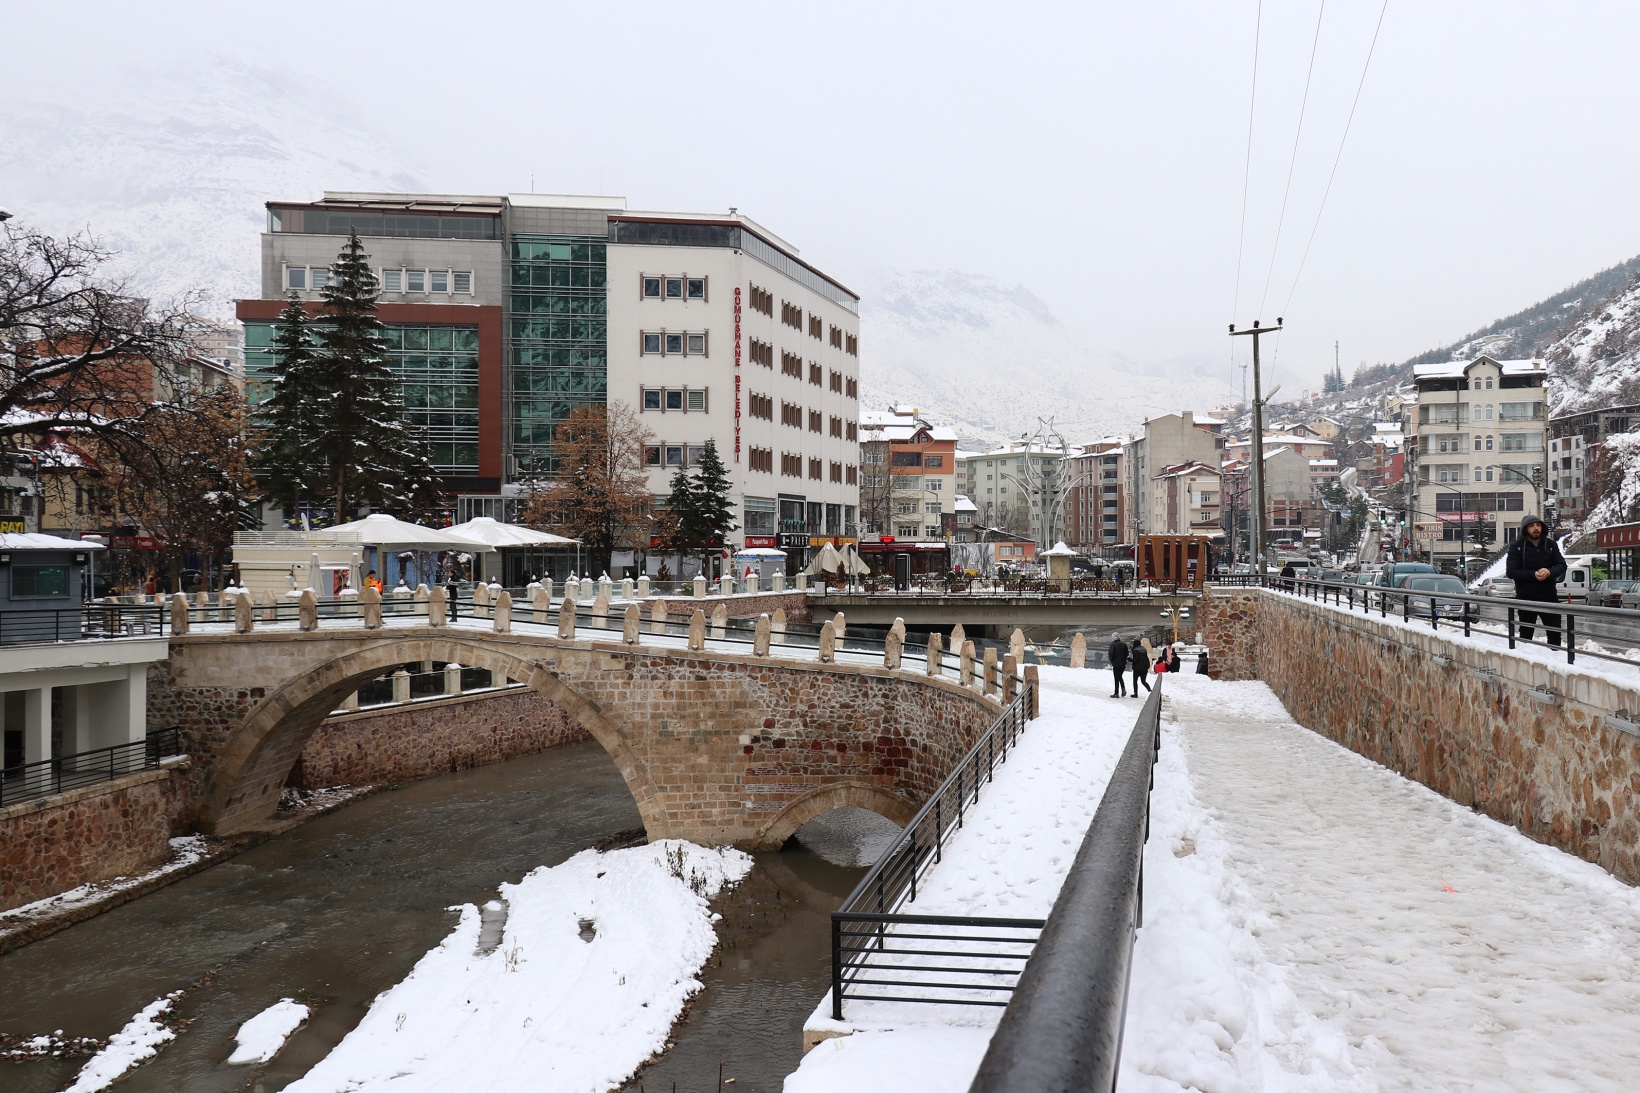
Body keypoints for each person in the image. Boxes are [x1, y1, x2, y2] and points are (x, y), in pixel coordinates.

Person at [1506, 514, 1566, 646]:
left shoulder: (1550, 544)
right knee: (1526, 635)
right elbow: (1511, 572)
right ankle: (1525, 660)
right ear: (1525, 529)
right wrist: (1533, 574)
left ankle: (1555, 661)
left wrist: (1549, 572)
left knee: (1555, 633)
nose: (1535, 528)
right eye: (1531, 526)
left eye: (1538, 525)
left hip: (1549, 596)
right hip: (1526, 597)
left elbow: (1562, 565)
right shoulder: (1516, 547)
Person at [1107, 633, 1129, 697]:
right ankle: (1123, 689)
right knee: (1119, 676)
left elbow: (1111, 654)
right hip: (1122, 664)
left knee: (1117, 677)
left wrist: (1112, 661)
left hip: (1116, 664)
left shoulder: (1112, 645)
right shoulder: (1124, 645)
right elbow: (1126, 654)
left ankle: (1116, 693)